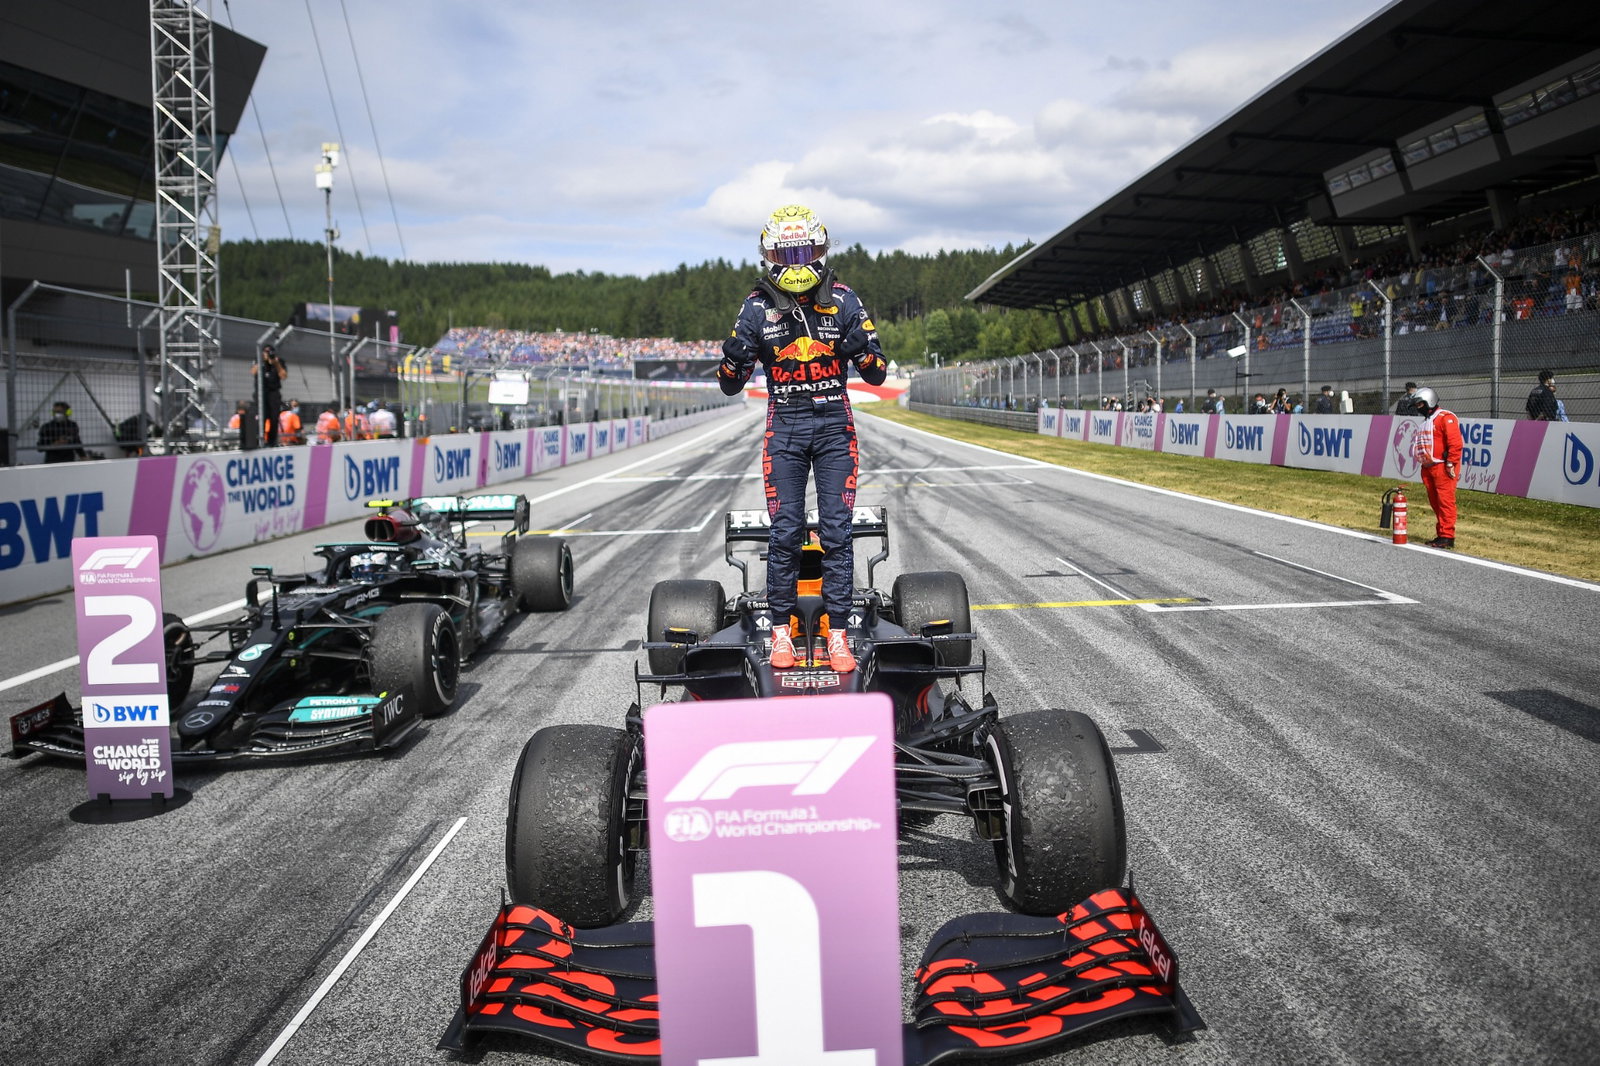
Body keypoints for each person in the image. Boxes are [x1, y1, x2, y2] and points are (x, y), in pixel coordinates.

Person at [717, 204, 888, 674]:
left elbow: (877, 372)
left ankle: (838, 635)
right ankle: (779, 634)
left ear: (820, 250)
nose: (795, 262)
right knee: (786, 531)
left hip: (835, 425)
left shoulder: (844, 300)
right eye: (786, 254)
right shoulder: (755, 306)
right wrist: (732, 359)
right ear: (770, 256)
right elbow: (729, 384)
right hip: (785, 425)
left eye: (802, 252)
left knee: (836, 531)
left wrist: (860, 352)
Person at [1409, 386, 1462, 549]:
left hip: (1442, 466)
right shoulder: (1427, 421)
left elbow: (1455, 443)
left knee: (1445, 501)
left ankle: (1447, 536)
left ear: (1429, 401)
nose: (1418, 408)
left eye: (1420, 404)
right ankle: (1442, 533)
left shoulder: (1445, 417)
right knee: (1435, 502)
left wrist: (1451, 463)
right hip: (1428, 467)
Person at [252, 344, 287, 445]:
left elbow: (284, 376)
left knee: (274, 417)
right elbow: (253, 371)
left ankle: (272, 441)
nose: (268, 354)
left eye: (270, 352)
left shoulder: (279, 361)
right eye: (266, 352)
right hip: (261, 392)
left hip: (273, 392)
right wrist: (262, 361)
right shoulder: (258, 360)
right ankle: (258, 439)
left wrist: (276, 364)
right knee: (261, 417)